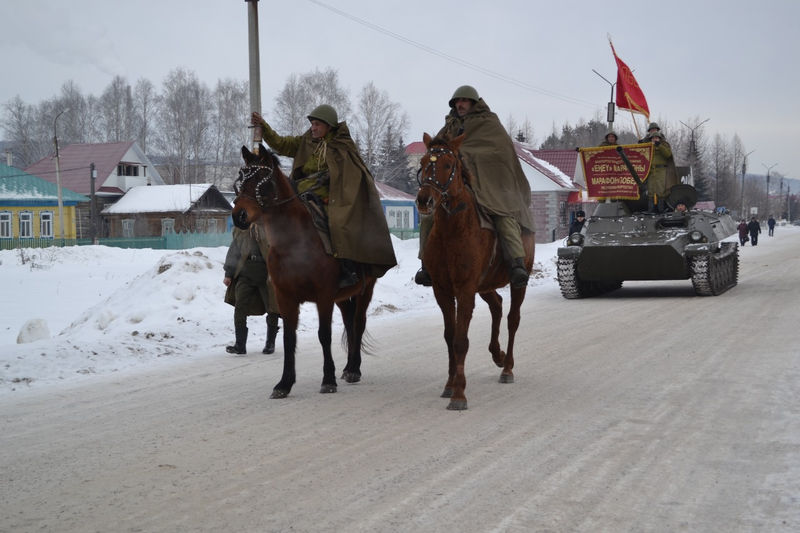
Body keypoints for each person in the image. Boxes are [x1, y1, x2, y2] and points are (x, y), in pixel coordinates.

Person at [251, 105, 397, 287]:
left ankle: (347, 268)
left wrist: (328, 178)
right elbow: (282, 144)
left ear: (329, 126)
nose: (313, 128)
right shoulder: (307, 141)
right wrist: (263, 127)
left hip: (332, 196)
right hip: (301, 191)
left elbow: (349, 176)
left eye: (317, 124)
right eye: (312, 124)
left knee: (338, 223)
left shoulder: (342, 145)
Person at [415, 85, 535, 289]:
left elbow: (498, 153)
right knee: (428, 219)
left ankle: (516, 264)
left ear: (473, 103)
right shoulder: (450, 125)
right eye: (457, 102)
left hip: (490, 186)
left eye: (464, 101)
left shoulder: (489, 123)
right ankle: (426, 266)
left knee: (503, 218)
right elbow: (442, 150)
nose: (460, 104)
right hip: (458, 186)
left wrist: (464, 155)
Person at [223, 226, 281, 355]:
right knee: (240, 307)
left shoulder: (269, 226)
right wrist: (228, 273)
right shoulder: (242, 229)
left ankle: (270, 343)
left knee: (272, 308)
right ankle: (240, 345)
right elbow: (234, 251)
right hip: (246, 272)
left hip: (267, 274)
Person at [642, 130, 678, 212]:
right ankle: (650, 210)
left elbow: (668, 154)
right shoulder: (649, 147)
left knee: (660, 191)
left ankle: (661, 209)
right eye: (653, 138)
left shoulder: (663, 145)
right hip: (651, 170)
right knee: (651, 191)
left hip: (661, 170)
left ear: (659, 138)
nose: (655, 139)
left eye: (656, 138)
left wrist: (660, 146)